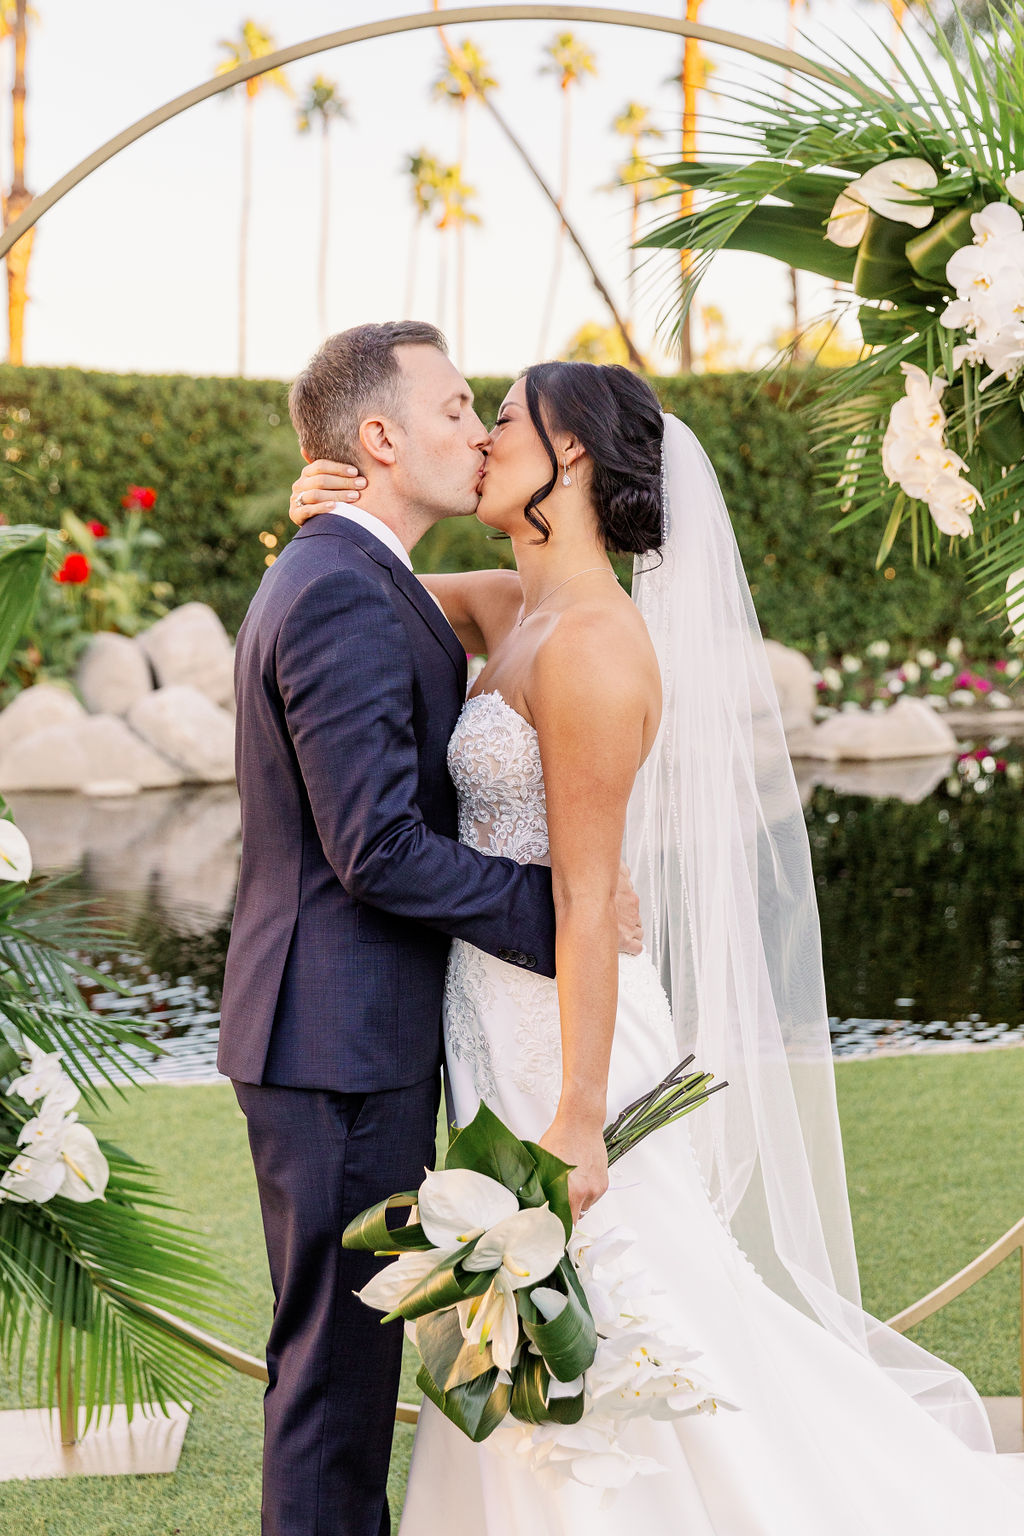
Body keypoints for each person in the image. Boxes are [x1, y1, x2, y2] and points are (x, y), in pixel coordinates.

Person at [290, 355, 1024, 1533]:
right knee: (534, 1308)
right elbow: (377, 590)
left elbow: (586, 903)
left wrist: (581, 1111)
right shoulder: (518, 605)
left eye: (507, 424)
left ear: (568, 454)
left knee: (627, 1294)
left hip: (565, 1033)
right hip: (490, 1016)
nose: (481, 442)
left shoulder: (590, 644)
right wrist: (332, 519)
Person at [219, 321, 644, 1536]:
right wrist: (568, 917)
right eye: (459, 409)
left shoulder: (375, 579)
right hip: (336, 1044)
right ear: (381, 438)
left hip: (367, 1035)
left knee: (345, 1369)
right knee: (333, 1380)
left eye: (493, 414)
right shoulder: (342, 585)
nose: (478, 431)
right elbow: (375, 850)